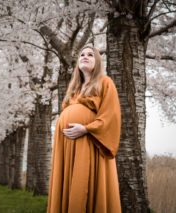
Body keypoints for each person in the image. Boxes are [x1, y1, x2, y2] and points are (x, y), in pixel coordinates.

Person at [47, 44, 122, 213]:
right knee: (68, 182)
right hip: (67, 146)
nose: (85, 56)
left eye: (90, 54)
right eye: (81, 54)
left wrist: (87, 129)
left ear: (97, 62)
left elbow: (111, 115)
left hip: (89, 141)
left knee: (85, 183)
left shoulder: (105, 82)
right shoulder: (73, 89)